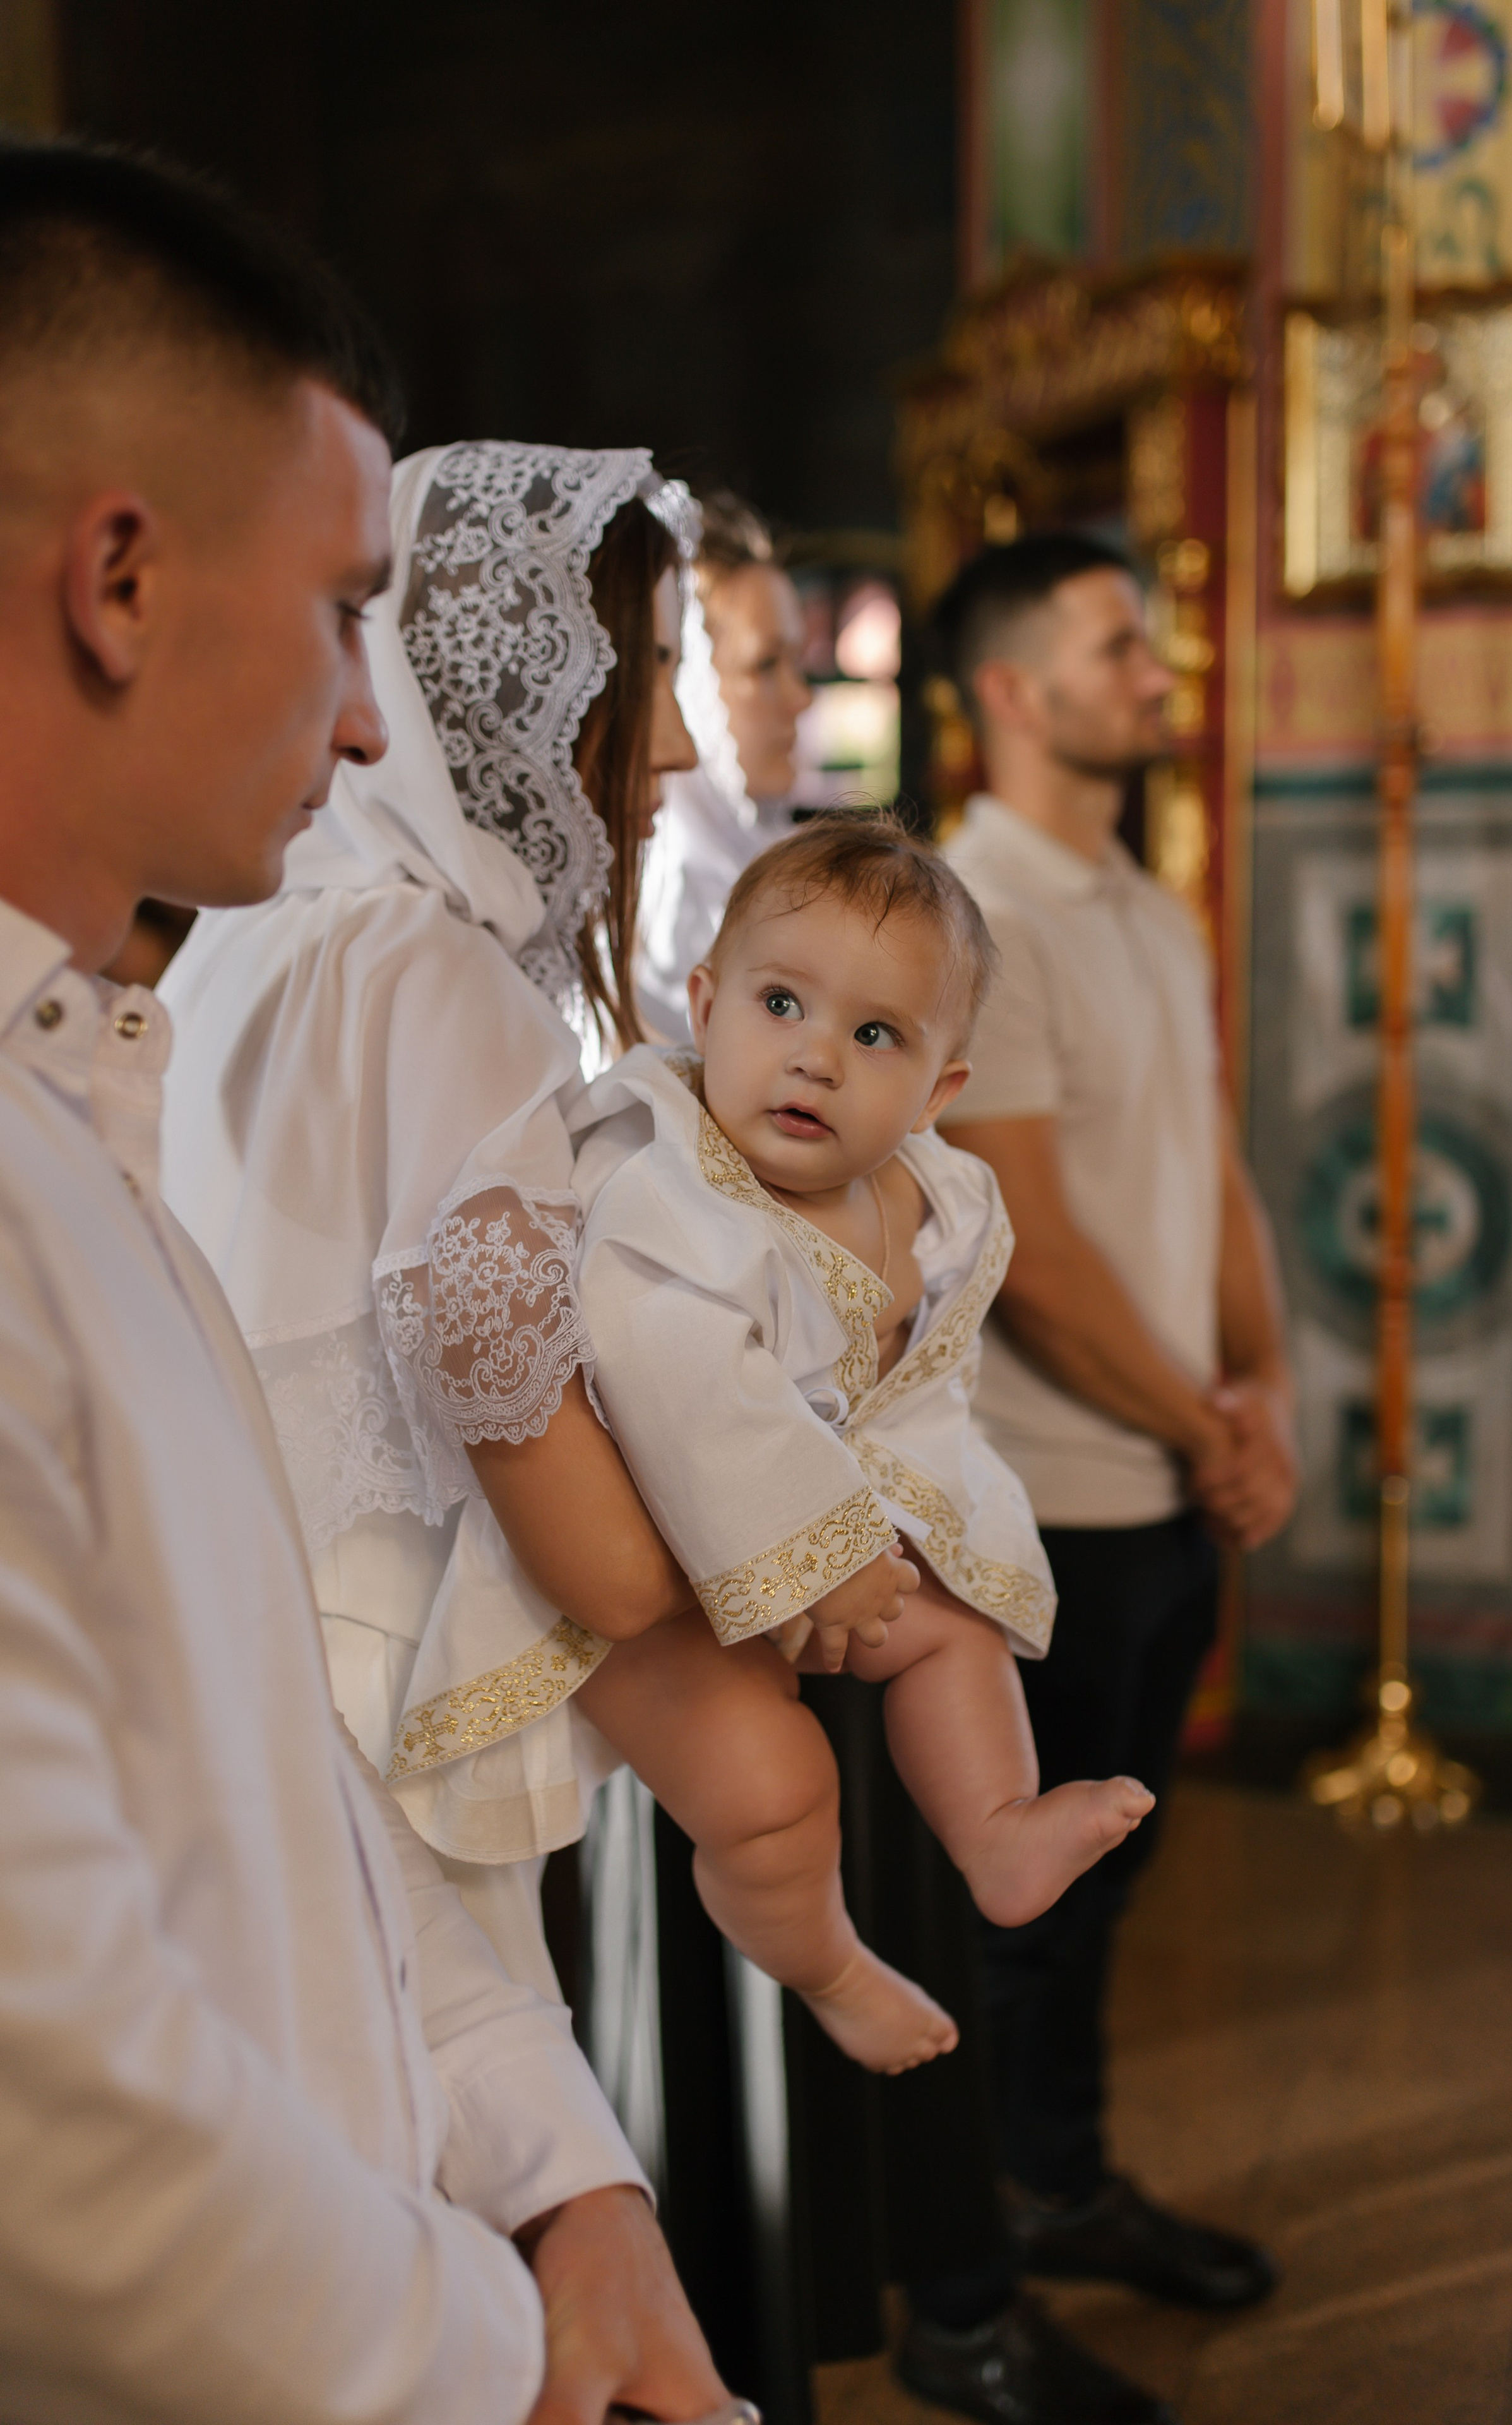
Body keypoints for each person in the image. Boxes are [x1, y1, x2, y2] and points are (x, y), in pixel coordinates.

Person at [0, 135, 726, 2425]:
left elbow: (254, 1781)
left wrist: (551, 2162)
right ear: (119, 576)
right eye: (336, 611)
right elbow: (49, 2097)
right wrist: (481, 2347)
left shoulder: (87, 1078)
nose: (355, 713)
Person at [160, 440, 710, 1998]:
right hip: (398, 1711)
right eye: (636, 681)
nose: (669, 749)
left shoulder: (256, 935)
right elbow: (580, 1532)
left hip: (245, 1681)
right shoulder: (435, 975)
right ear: (512, 701)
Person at [566, 817, 1153, 2074]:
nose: (815, 1059)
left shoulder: (929, 1202)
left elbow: (919, 1394)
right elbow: (674, 1376)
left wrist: (900, 1532)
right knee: (771, 1794)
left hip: (825, 1535)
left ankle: (995, 1827)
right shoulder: (668, 1190)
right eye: (781, 1004)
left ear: (939, 1090)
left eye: (874, 1036)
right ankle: (826, 1965)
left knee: (956, 1628)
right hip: (651, 1561)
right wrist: (813, 1543)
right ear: (706, 1004)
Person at [934, 532, 1298, 2342]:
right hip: (1039, 1502)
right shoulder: (967, 915)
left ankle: (1059, 2183)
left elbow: (1210, 1173)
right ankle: (972, 2256)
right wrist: (1203, 1423)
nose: (1160, 666)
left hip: (1163, 1479)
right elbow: (1035, 1258)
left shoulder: (1148, 906)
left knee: (1109, 1874)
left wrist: (1264, 1394)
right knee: (1012, 1906)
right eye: (1118, 642)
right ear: (1012, 689)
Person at [635, 490, 811, 1042]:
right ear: (692, 688)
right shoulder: (654, 919)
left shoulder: (791, 866)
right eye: (765, 665)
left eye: (797, 663)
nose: (801, 698)